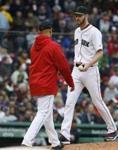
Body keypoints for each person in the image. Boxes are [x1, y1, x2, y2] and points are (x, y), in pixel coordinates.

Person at [59, 6, 118, 144]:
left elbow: (100, 52)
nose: (77, 18)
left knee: (97, 101)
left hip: (90, 70)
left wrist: (88, 64)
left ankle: (113, 129)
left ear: (86, 15)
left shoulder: (95, 32)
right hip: (76, 71)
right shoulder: (76, 31)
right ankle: (65, 135)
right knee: (69, 102)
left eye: (79, 15)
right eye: (76, 16)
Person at [21, 20, 74, 150]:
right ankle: (27, 141)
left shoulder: (34, 46)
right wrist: (70, 82)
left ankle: (55, 142)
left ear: (40, 31)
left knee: (47, 114)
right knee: (43, 112)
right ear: (50, 31)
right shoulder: (53, 46)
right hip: (47, 83)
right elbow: (64, 67)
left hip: (35, 83)